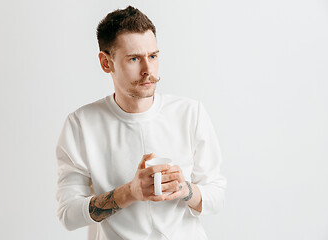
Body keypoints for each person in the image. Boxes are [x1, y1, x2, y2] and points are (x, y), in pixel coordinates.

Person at [56, 5, 226, 240]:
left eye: (153, 56)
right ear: (106, 63)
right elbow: (68, 214)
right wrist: (130, 192)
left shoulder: (190, 112)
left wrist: (184, 189)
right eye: (134, 58)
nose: (148, 69)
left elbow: (216, 195)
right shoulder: (81, 124)